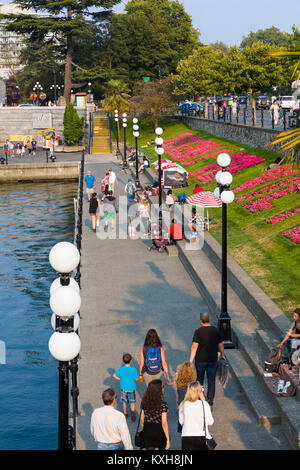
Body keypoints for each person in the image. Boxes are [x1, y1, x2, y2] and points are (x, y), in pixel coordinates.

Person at [189, 312, 226, 410]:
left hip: (200, 360)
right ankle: (210, 402)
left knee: (200, 379)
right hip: (212, 360)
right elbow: (221, 344)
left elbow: (194, 346)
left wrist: (190, 360)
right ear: (209, 320)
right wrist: (222, 355)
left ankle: (199, 399)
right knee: (211, 380)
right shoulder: (215, 331)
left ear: (201, 321)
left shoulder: (198, 332)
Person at [179, 381, 214, 450]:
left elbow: (181, 422)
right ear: (199, 392)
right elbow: (210, 422)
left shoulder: (183, 404)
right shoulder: (204, 404)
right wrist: (203, 399)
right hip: (200, 436)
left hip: (186, 436)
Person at [140, 379, 170, 450]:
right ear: (159, 390)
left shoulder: (144, 401)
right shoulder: (163, 404)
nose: (163, 388)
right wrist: (168, 439)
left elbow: (142, 418)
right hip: (159, 430)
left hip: (147, 429)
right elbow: (164, 423)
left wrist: (148, 425)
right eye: (162, 386)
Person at [168, 362, 196, 433]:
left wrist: (168, 383)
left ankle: (182, 428)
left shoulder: (178, 377)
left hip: (181, 400)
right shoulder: (192, 379)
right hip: (190, 399)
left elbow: (176, 389)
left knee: (182, 414)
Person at [113, 353, 142, 422]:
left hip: (124, 389)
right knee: (132, 402)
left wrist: (121, 379)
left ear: (123, 361)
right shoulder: (133, 369)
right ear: (131, 361)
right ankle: (132, 413)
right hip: (131, 388)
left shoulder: (121, 369)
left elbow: (114, 375)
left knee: (124, 402)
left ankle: (125, 413)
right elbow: (136, 379)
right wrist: (140, 378)